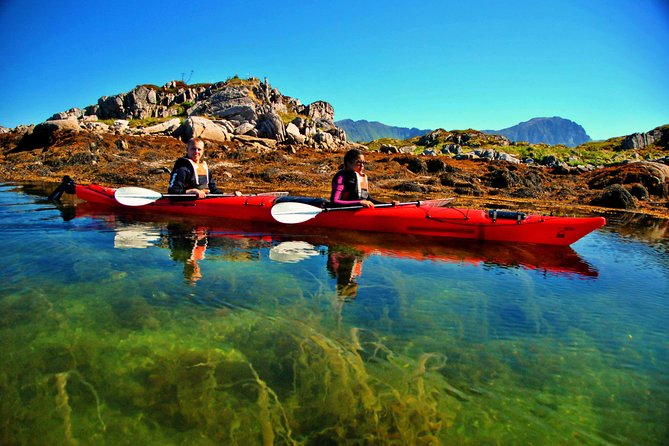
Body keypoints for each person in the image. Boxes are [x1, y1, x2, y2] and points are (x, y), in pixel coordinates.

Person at [330, 148, 397, 208]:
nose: (362, 165)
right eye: (359, 162)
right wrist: (359, 203)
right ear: (348, 163)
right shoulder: (340, 178)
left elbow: (368, 199)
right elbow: (335, 201)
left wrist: (388, 205)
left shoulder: (360, 178)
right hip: (341, 212)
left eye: (363, 162)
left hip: (357, 209)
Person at [168, 138, 234, 198]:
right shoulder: (182, 168)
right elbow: (173, 192)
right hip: (188, 202)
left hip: (204, 200)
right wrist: (192, 191)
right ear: (187, 149)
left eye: (199, 149)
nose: (196, 152)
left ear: (203, 151)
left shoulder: (205, 168)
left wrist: (228, 194)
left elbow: (213, 189)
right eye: (193, 149)